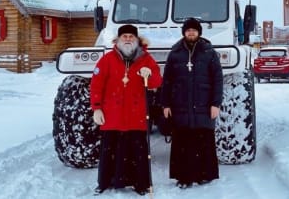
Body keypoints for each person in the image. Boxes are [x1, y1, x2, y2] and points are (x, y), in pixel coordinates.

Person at [90, 24, 162, 196]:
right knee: (109, 151)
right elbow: (96, 85)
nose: (128, 39)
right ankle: (105, 182)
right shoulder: (107, 59)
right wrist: (96, 108)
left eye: (131, 36)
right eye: (125, 36)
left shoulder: (146, 59)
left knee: (137, 152)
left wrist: (149, 74)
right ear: (118, 39)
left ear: (137, 40)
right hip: (112, 116)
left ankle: (140, 184)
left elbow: (157, 82)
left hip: (136, 116)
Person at [161, 17, 223, 189]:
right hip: (180, 103)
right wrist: (165, 104)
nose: (191, 33)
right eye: (188, 30)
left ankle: (204, 175)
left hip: (203, 104)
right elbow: (167, 81)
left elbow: (217, 79)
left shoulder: (209, 52)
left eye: (194, 30)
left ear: (199, 33)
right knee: (182, 142)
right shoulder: (175, 53)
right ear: (184, 32)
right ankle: (183, 177)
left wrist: (215, 104)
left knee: (203, 140)